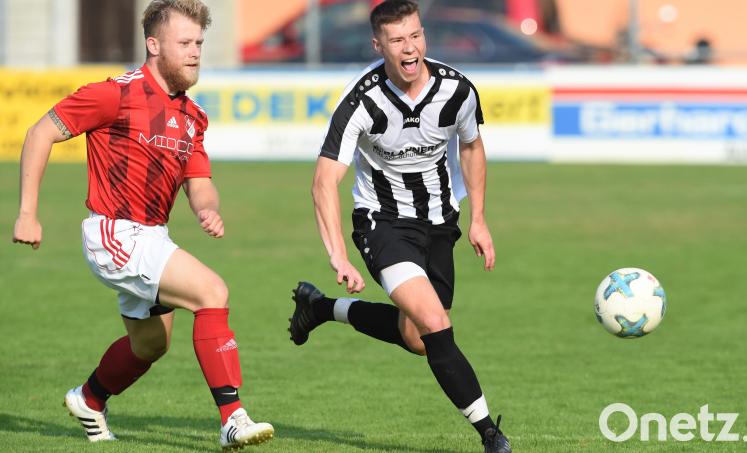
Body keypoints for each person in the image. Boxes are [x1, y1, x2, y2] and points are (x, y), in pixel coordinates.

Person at [12, 1, 273, 450]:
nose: (195, 53)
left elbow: (201, 183)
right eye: (185, 43)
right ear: (154, 45)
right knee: (213, 292)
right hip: (115, 232)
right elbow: (40, 133)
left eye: (199, 44)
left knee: (151, 345)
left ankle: (89, 398)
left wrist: (207, 208)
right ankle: (233, 417)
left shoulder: (192, 117)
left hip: (152, 236)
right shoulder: (115, 93)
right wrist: (27, 213)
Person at [288, 1, 511, 452]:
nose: (409, 49)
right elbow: (324, 181)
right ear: (378, 45)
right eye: (396, 40)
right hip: (382, 223)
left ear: (423, 35)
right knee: (434, 323)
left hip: (439, 223)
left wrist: (479, 220)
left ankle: (321, 308)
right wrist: (337, 254)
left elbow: (472, 147)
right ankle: (491, 434)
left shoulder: (457, 90)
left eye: (414, 36)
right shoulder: (361, 100)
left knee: (419, 338)